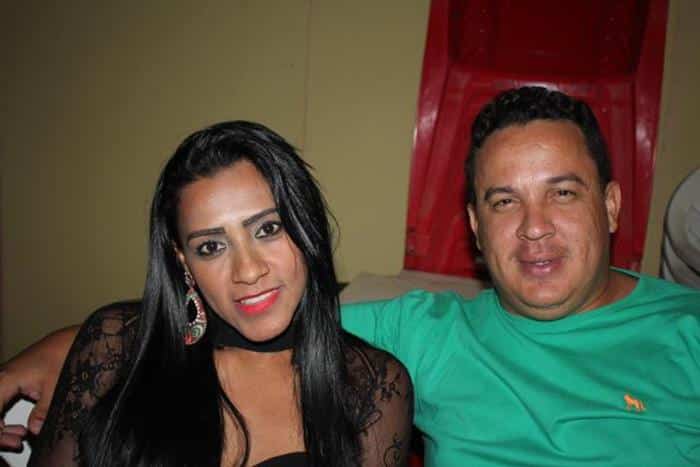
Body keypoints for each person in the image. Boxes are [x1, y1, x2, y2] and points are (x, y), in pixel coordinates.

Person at [3, 87, 700, 465]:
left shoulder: (687, 331)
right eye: (503, 201)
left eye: (563, 193)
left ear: (612, 205)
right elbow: (260, 312)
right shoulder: (426, 332)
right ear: (475, 225)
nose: (534, 227)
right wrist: (61, 347)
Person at [2, 121, 413, 466]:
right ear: (183, 260)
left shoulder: (372, 386)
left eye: (268, 229)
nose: (248, 271)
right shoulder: (115, 344)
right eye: (212, 246)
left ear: (306, 226)